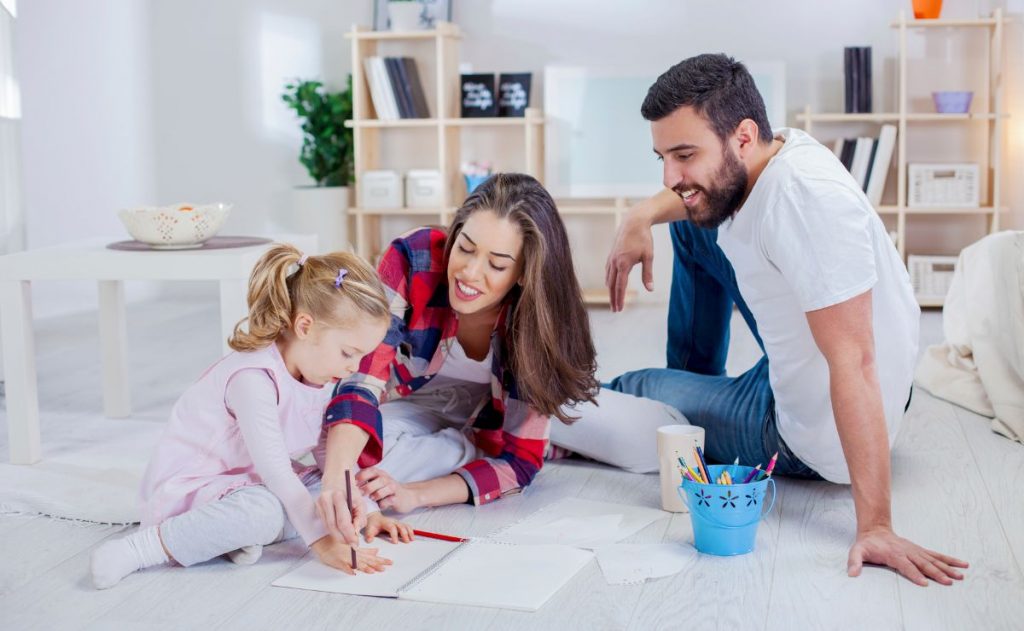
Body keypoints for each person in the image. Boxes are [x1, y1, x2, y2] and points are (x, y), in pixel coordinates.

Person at [592, 53, 967, 585]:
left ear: (742, 136)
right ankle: (701, 391)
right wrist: (640, 214)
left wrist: (877, 525)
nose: (669, 176)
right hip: (827, 369)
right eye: (663, 157)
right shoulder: (776, 146)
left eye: (683, 155)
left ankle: (686, 414)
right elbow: (688, 195)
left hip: (816, 432)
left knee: (635, 390)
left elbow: (855, 363)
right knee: (692, 222)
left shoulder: (805, 203)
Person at [90, 245, 413, 590]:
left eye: (361, 358)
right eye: (349, 353)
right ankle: (141, 549)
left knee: (323, 491)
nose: (353, 367)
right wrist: (323, 542)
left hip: (248, 482)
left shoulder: (320, 373)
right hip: (197, 487)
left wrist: (365, 509)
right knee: (266, 512)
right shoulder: (252, 378)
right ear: (305, 326)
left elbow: (326, 456)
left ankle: (223, 538)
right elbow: (277, 472)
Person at [313, 172, 600, 525]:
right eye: (464, 248)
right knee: (345, 455)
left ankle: (626, 391)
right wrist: (334, 478)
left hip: (503, 409)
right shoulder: (413, 257)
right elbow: (363, 377)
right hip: (417, 400)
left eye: (496, 264)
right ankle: (478, 447)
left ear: (525, 272)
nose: (469, 273)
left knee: (644, 449)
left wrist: (417, 494)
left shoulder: (539, 321)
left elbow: (520, 462)